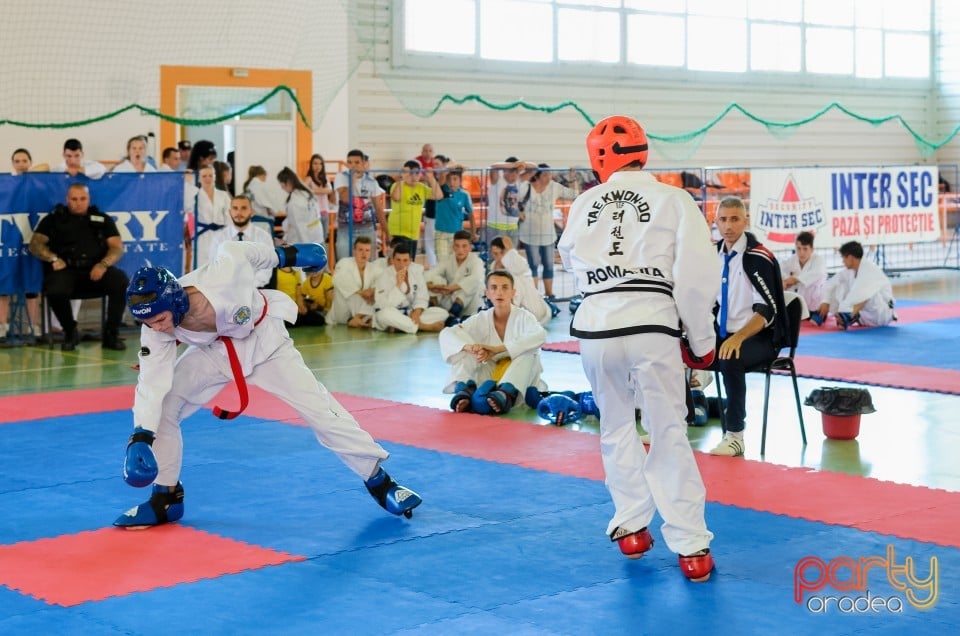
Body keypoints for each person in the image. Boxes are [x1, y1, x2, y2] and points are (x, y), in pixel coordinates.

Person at [114, 240, 421, 528]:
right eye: (148, 323)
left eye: (159, 319)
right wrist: (140, 436)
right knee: (165, 405)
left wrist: (293, 255)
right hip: (213, 353)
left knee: (320, 411)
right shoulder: (155, 329)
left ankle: (379, 481)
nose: (155, 327)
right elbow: (152, 380)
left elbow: (243, 252)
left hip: (265, 343)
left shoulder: (223, 273)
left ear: (176, 301)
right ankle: (166, 498)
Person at [557, 115, 720, 582]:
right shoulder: (673, 199)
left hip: (596, 329)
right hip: (651, 323)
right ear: (644, 152)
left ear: (598, 159)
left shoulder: (584, 202)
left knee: (614, 426)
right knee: (667, 430)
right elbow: (696, 277)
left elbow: (570, 257)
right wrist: (702, 342)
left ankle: (630, 524)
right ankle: (690, 546)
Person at [711, 196, 789, 457]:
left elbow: (766, 310)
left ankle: (735, 435)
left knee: (730, 356)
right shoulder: (712, 255)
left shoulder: (759, 257)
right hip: (722, 333)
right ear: (716, 222)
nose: (728, 226)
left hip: (760, 337)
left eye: (734, 219)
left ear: (746, 220)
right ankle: (675, 421)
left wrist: (739, 337)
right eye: (723, 219)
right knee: (676, 351)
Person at [28, 183, 130, 351]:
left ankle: (111, 334)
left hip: (95, 269)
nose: (78, 202)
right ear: (67, 199)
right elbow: (35, 244)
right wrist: (53, 258)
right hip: (65, 270)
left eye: (83, 199)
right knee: (55, 289)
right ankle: (70, 332)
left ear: (88, 199)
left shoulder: (101, 219)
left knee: (120, 282)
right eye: (74, 199)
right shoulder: (54, 219)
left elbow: (117, 247)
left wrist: (103, 264)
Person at [439, 270, 547, 415]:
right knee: (463, 350)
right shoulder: (480, 319)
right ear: (487, 293)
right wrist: (471, 348)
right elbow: (448, 333)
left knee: (528, 353)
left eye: (504, 287)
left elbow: (540, 335)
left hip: (518, 375)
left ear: (513, 292)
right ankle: (465, 391)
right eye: (494, 288)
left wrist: (498, 349)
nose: (499, 292)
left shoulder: (524, 317)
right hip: (489, 374)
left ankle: (506, 395)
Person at [0, 149, 44, 341]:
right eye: (17, 161)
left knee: (32, 286)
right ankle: (3, 325)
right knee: (4, 284)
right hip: (9, 242)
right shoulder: (6, 183)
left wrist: (29, 174)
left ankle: (34, 326)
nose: (21, 164)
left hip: (31, 241)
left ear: (30, 161)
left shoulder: (36, 182)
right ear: (12, 163)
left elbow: (47, 167)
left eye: (24, 160)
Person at [519, 164, 578, 299]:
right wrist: (518, 212)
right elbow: (511, 201)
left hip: (548, 234)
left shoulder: (554, 187)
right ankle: (534, 295)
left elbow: (574, 195)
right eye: (545, 174)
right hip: (529, 234)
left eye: (550, 174)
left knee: (548, 265)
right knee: (532, 265)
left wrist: (572, 179)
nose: (549, 177)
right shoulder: (526, 187)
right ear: (537, 176)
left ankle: (549, 293)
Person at [815, 240, 896, 329]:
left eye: (843, 258)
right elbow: (830, 284)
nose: (843, 261)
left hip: (881, 315)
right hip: (864, 316)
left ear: (850, 258)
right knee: (838, 286)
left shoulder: (870, 270)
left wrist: (844, 310)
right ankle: (828, 315)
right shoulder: (850, 271)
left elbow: (859, 295)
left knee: (866, 293)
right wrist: (826, 301)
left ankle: (848, 316)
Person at [373, 242, 447, 333]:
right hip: (393, 313)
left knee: (442, 313)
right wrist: (398, 285)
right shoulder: (384, 275)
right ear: (393, 260)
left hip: (409, 313)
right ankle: (423, 326)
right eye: (398, 260)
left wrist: (416, 312)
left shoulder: (416, 272)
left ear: (410, 261)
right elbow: (383, 305)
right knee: (384, 315)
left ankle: (400, 327)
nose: (401, 264)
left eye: (405, 260)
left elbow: (422, 298)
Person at [208, 195, 275, 288]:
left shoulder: (263, 237)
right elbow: (213, 266)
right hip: (226, 291)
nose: (239, 212)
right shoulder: (219, 238)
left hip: (255, 289)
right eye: (235, 208)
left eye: (244, 208)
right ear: (230, 212)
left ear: (252, 212)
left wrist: (248, 288)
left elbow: (267, 269)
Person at [334, 149, 387, 260]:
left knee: (369, 263)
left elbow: (378, 207)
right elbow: (345, 199)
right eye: (350, 162)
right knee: (344, 263)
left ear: (364, 163)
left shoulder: (371, 182)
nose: (353, 166)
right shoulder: (341, 177)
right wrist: (352, 181)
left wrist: (386, 231)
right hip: (345, 229)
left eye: (357, 162)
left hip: (366, 228)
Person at [489, 236, 551, 324]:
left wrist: (510, 250)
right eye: (495, 254)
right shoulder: (493, 267)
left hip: (533, 310)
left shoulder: (519, 264)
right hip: (509, 312)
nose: (499, 257)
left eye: (502, 253)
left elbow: (517, 266)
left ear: (507, 252)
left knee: (511, 280)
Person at [427, 230, 485, 321]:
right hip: (450, 301)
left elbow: (476, 278)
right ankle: (432, 310)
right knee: (435, 279)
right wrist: (432, 286)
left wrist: (452, 288)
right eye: (457, 246)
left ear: (470, 247)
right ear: (453, 247)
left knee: (470, 286)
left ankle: (452, 316)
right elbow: (432, 272)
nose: (460, 250)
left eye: (464, 246)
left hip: (470, 304)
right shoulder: (449, 259)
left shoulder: (476, 261)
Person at [389, 160, 441, 258]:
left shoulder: (421, 187)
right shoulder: (397, 185)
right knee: (397, 264)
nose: (413, 177)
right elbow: (396, 197)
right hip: (398, 233)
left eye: (417, 173)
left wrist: (431, 178)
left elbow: (438, 195)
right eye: (410, 173)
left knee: (410, 263)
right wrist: (401, 179)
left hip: (413, 233)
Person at [330, 236, 383, 328]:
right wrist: (361, 292)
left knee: (377, 296)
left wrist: (373, 291)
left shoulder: (374, 268)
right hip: (343, 310)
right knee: (355, 295)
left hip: (362, 308)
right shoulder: (344, 263)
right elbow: (337, 280)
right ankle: (357, 319)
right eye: (360, 250)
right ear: (354, 251)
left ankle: (360, 318)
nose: (364, 253)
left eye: (367, 250)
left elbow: (382, 283)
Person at [433, 165, 474, 259]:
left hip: (457, 234)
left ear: (460, 180)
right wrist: (450, 168)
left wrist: (473, 232)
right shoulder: (441, 191)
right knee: (443, 263)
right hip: (441, 233)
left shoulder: (464, 195)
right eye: (449, 179)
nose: (451, 182)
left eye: (455, 179)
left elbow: (471, 214)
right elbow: (442, 176)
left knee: (456, 262)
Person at [780, 231, 826, 312]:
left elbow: (818, 273)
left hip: (815, 305)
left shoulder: (819, 260)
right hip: (797, 304)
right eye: (798, 248)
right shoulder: (792, 259)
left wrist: (794, 280)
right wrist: (785, 281)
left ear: (811, 249)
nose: (801, 252)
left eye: (805, 249)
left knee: (814, 322)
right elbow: (780, 268)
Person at [277, 167, 324, 246]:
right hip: (316, 233)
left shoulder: (294, 202)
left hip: (306, 238)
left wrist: (307, 248)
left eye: (282, 185)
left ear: (288, 183)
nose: (282, 188)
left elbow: (300, 227)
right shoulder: (306, 191)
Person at [303, 154, 337, 235]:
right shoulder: (309, 178)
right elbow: (304, 191)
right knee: (315, 237)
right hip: (314, 213)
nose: (318, 166)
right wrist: (322, 190)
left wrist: (314, 190)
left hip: (325, 212)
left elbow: (330, 190)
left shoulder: (325, 178)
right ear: (311, 165)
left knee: (324, 236)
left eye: (320, 163)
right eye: (315, 163)